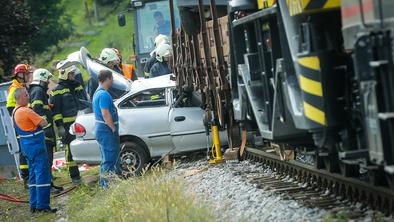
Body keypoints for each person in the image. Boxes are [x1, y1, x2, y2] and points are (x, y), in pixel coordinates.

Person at [12, 87, 57, 213]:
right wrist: (44, 118)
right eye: (26, 95)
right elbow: (43, 123)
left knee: (33, 177)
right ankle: (43, 206)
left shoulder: (15, 112)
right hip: (36, 146)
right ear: (20, 97)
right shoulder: (26, 111)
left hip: (26, 148)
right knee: (43, 175)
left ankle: (34, 205)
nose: (28, 96)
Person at [50, 65, 87, 185]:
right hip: (67, 126)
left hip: (82, 121)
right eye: (71, 74)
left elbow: (84, 100)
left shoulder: (77, 85)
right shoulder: (57, 91)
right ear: (65, 74)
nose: (73, 75)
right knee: (70, 150)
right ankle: (75, 176)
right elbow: (56, 112)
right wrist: (60, 126)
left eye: (73, 73)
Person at [29, 68, 64, 194]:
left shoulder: (38, 92)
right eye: (47, 80)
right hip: (44, 133)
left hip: (46, 133)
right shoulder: (38, 91)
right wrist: (46, 128)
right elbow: (37, 111)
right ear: (42, 80)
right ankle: (48, 187)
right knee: (45, 161)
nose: (49, 83)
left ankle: (50, 184)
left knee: (47, 161)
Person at [92, 70, 120, 189]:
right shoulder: (103, 94)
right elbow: (105, 113)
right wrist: (113, 128)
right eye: (112, 78)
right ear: (108, 79)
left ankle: (105, 183)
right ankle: (107, 186)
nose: (112, 80)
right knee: (109, 158)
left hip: (101, 129)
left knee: (106, 158)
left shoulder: (97, 93)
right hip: (106, 130)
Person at [6, 64, 32, 188]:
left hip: (25, 121)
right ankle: (26, 178)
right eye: (26, 74)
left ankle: (30, 176)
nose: (28, 76)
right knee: (23, 150)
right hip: (21, 123)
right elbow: (10, 107)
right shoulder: (15, 88)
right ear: (19, 75)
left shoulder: (22, 86)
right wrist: (21, 117)